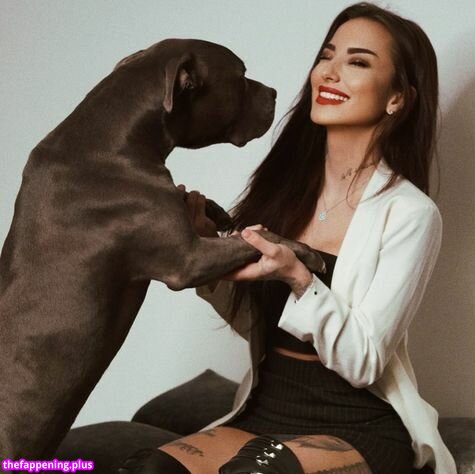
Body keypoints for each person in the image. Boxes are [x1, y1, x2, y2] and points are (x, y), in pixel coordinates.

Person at [120, 2, 456, 473]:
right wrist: (207, 255)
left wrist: (300, 278)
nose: (329, 72)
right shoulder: (284, 191)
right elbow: (259, 324)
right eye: (327, 56)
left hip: (355, 424)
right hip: (265, 410)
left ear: (397, 98)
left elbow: (364, 362)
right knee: (147, 469)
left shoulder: (410, 214)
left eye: (358, 62)